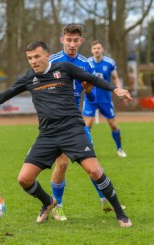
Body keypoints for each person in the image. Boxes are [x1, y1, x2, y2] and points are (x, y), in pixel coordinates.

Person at [0, 41, 133, 227]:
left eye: (37, 56)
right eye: (29, 58)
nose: (33, 61)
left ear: (47, 56)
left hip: (72, 130)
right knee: (24, 179)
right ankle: (48, 202)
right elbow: (3, 96)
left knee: (95, 170)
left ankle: (120, 214)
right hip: (48, 135)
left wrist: (116, 89)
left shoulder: (64, 67)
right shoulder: (29, 78)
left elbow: (93, 79)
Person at [48, 23, 97, 221]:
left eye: (76, 40)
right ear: (62, 40)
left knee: (93, 162)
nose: (72, 44)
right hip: (55, 121)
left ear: (81, 41)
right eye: (68, 40)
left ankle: (104, 199)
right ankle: (57, 206)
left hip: (75, 121)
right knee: (62, 163)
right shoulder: (51, 61)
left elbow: (93, 100)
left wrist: (88, 90)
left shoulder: (87, 65)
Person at [83, 40, 127, 158]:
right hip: (90, 98)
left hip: (105, 99)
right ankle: (86, 152)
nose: (96, 50)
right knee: (88, 123)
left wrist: (119, 89)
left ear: (102, 49)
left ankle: (119, 148)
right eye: (94, 48)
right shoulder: (87, 63)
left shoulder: (109, 63)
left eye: (98, 48)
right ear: (92, 50)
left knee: (113, 124)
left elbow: (115, 78)